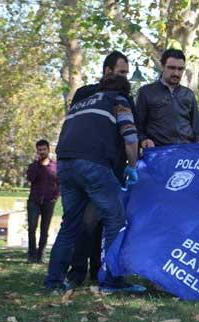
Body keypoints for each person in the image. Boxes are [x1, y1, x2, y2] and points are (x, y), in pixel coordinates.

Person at [44, 74, 144, 294]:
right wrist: (133, 166)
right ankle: (112, 282)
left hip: (65, 163)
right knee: (115, 219)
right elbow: (130, 137)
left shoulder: (81, 103)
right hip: (93, 163)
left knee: (70, 224)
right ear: (123, 90)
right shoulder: (119, 100)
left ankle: (54, 283)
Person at [66, 51, 135, 285]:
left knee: (98, 222)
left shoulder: (127, 97)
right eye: (122, 72)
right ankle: (79, 272)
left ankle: (96, 270)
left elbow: (130, 130)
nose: (126, 77)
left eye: (127, 72)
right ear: (107, 71)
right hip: (90, 165)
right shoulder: (85, 93)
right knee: (83, 223)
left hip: (110, 166)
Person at [135, 48, 199, 147]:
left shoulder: (189, 94)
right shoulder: (146, 92)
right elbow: (137, 126)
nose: (176, 73)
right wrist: (143, 140)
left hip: (186, 154)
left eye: (180, 69)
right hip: (158, 153)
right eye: (171, 68)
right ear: (162, 67)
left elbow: (197, 130)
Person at [26, 139, 59, 264]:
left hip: (49, 201)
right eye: (39, 150)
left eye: (44, 149)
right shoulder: (33, 166)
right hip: (34, 200)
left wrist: (56, 196)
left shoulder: (55, 166)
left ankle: (40, 256)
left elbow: (59, 182)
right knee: (32, 228)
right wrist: (36, 163)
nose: (42, 152)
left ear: (48, 150)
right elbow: (30, 178)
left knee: (44, 230)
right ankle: (31, 255)